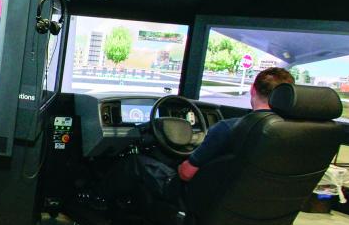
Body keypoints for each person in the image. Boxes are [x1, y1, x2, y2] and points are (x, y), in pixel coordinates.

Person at [110, 67, 296, 212]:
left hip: (200, 198)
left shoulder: (228, 128)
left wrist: (183, 164)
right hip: (255, 203)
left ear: (252, 90)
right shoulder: (295, 133)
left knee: (136, 162)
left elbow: (186, 174)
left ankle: (101, 202)